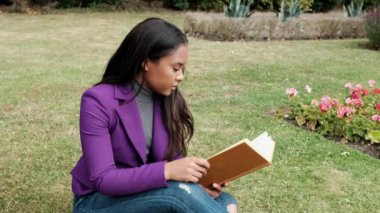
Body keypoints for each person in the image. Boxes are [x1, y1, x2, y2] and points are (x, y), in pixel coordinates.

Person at [71, 17, 238, 213]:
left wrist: (198, 183)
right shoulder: (98, 100)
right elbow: (104, 179)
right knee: (180, 195)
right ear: (146, 62)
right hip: (98, 202)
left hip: (146, 193)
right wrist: (167, 171)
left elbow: (173, 162)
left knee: (226, 199)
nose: (181, 76)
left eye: (183, 69)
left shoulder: (168, 99)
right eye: (175, 68)